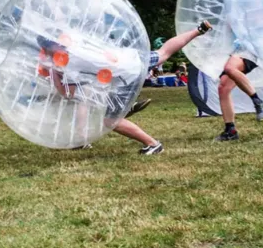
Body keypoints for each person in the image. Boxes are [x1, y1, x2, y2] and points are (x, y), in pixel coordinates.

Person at [46, 20, 212, 155]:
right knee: (163, 53)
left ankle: (153, 144)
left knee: (111, 121)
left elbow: (66, 93)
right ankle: (198, 30)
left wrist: (53, 71)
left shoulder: (69, 63)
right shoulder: (77, 39)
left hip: (126, 77)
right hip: (131, 58)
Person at [213, 52, 263, 141]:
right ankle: (230, 131)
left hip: (249, 50)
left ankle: (258, 102)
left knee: (230, 68)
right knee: (223, 88)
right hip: (237, 51)